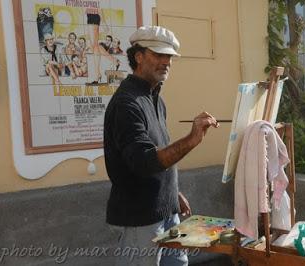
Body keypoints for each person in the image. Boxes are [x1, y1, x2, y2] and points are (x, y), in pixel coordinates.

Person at [104, 26, 219, 266]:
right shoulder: (127, 103)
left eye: (169, 57)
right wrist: (192, 139)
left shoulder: (155, 97)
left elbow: (158, 150)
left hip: (167, 212)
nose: (166, 62)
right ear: (138, 56)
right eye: (158, 55)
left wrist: (172, 192)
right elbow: (144, 162)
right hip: (141, 217)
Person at [86, 1, 119, 84]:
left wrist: (104, 23)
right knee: (95, 46)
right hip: (91, 18)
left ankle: (97, 75)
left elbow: (98, 6)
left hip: (93, 19)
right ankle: (114, 61)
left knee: (94, 46)